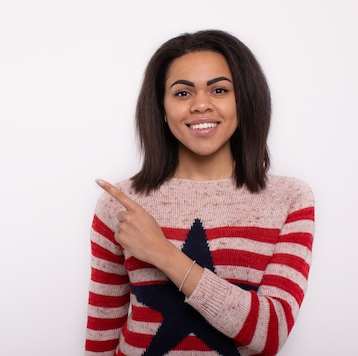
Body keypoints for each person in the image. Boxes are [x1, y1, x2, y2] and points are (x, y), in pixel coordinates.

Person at [85, 29, 315, 356]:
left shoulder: (289, 199)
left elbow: (270, 333)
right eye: (182, 93)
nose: (201, 105)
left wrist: (162, 254)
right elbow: (103, 330)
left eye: (219, 89)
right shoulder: (118, 203)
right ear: (161, 109)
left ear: (244, 100)